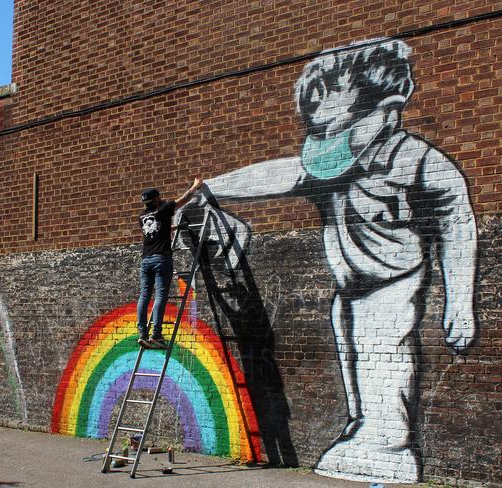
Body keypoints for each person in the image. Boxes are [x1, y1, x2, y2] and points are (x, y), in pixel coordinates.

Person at [179, 38, 477, 482]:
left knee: (384, 355)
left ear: (387, 108)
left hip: (394, 283)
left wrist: (460, 303)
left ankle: (388, 443)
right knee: (355, 360)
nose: (327, 140)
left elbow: (458, 221)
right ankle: (363, 425)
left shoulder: (414, 158)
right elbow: (278, 173)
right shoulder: (329, 165)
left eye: (339, 127)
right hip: (349, 287)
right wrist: (211, 188)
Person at [137, 177, 204, 348]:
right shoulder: (164, 208)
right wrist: (196, 186)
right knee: (160, 295)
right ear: (158, 198)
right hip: (161, 258)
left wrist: (174, 228)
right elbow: (185, 199)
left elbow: (158, 229)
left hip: (146, 260)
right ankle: (157, 335)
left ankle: (142, 333)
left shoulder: (143, 216)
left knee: (144, 296)